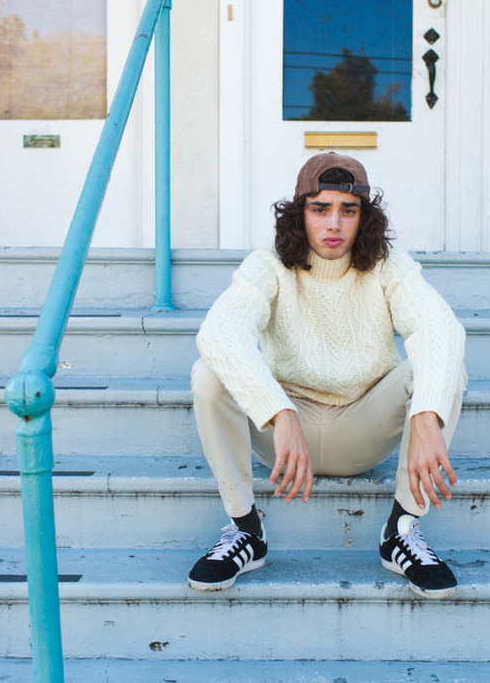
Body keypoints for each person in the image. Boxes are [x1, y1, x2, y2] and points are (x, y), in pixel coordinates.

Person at [187, 152, 468, 598]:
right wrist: (279, 412)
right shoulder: (268, 265)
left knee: (444, 365)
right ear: (300, 214)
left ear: (364, 218)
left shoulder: (388, 264)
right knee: (208, 372)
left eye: (348, 210)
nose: (334, 224)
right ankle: (246, 529)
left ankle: (400, 530)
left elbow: (439, 327)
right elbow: (220, 330)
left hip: (362, 428)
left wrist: (426, 415)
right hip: (283, 439)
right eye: (320, 209)